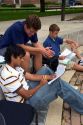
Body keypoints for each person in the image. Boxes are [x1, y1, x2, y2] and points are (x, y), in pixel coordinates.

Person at [0, 45, 83, 114]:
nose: (22, 60)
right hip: (26, 104)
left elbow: (31, 77)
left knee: (45, 70)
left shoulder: (15, 67)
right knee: (57, 84)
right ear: (12, 57)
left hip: (28, 89)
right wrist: (41, 85)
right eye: (20, 58)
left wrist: (49, 77)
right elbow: (26, 95)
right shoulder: (8, 75)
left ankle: (75, 96)